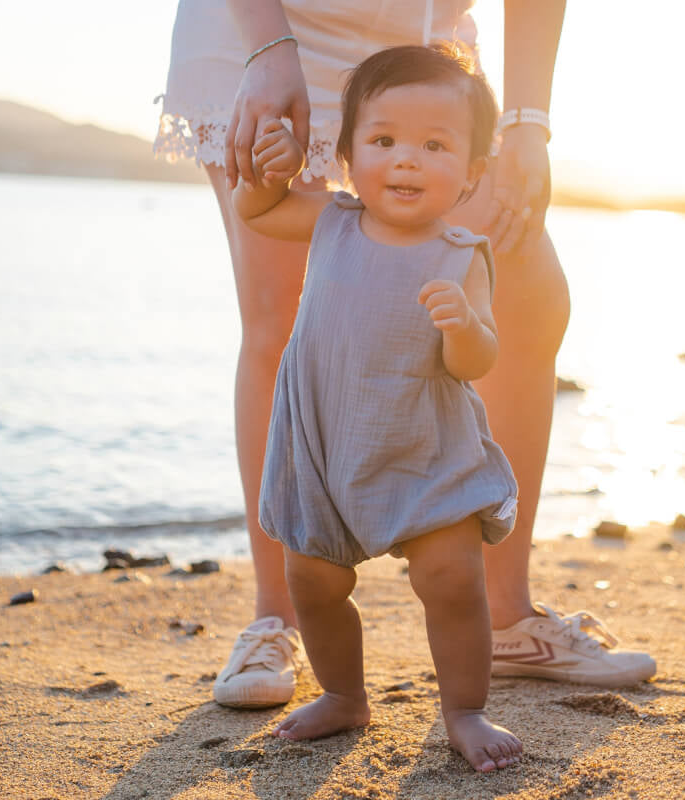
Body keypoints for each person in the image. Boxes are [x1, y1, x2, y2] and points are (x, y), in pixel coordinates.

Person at [154, 0, 655, 708]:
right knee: (282, 315)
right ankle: (278, 619)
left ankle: (506, 615)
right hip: (271, 27)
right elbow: (262, 208)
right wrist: (268, 50)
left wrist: (528, 123)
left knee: (527, 296)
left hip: (427, 51)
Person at [232, 43, 522, 772]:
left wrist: (464, 325)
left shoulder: (461, 252)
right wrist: (268, 173)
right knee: (315, 582)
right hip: (326, 445)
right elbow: (259, 211)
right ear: (347, 153)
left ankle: (464, 708)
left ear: (472, 172)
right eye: (384, 140)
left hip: (427, 449)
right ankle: (343, 695)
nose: (406, 160)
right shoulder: (329, 220)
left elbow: (476, 362)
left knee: (452, 580)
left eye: (435, 145)